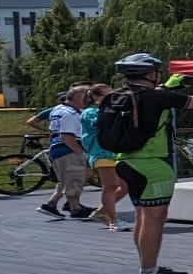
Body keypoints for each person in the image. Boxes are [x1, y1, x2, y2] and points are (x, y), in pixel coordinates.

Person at [108, 54, 193, 274]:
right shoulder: (157, 97)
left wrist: (168, 87)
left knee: (141, 216)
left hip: (124, 161)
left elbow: (154, 102)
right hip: (152, 166)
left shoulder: (118, 95)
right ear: (150, 74)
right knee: (154, 220)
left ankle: (149, 268)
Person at [32, 86, 92, 219]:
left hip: (57, 149)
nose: (90, 99)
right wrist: (81, 152)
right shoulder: (70, 114)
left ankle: (52, 204)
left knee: (66, 180)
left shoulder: (58, 109)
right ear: (78, 98)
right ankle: (75, 208)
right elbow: (67, 136)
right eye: (87, 96)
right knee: (75, 178)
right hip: (68, 150)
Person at [77, 84, 126, 229]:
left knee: (124, 186)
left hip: (114, 152)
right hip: (101, 152)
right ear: (96, 97)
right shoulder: (90, 112)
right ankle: (113, 220)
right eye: (108, 95)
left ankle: (101, 212)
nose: (113, 97)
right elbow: (102, 124)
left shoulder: (106, 110)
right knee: (110, 186)